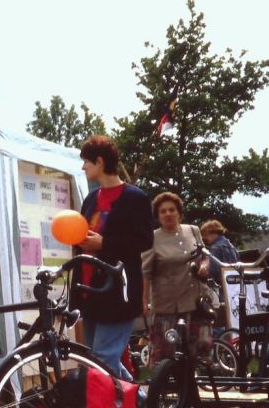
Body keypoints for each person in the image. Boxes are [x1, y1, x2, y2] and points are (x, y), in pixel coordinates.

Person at [71, 135, 154, 381]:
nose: (83, 167)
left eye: (86, 162)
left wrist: (104, 243)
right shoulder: (91, 199)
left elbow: (144, 241)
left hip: (117, 292)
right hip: (90, 291)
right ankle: (138, 401)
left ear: (99, 162)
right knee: (98, 359)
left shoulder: (135, 198)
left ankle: (119, 403)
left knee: (102, 361)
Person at [142, 192, 213, 364]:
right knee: (166, 355)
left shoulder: (193, 231)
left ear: (179, 212)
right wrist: (143, 301)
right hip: (168, 305)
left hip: (196, 301)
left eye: (172, 210)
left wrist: (204, 265)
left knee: (197, 353)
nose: (168, 214)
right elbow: (145, 273)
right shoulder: (152, 238)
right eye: (163, 211)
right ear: (158, 216)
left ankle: (192, 380)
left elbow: (205, 255)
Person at [200, 219, 239, 284]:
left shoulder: (215, 247)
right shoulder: (231, 245)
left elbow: (213, 270)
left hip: (221, 283)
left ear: (213, 233)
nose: (204, 238)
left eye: (205, 235)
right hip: (233, 281)